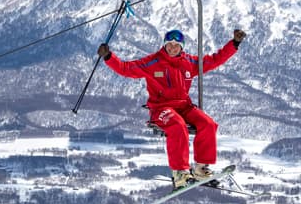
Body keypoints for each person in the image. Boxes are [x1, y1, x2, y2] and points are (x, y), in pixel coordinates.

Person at [98, 28, 246, 189]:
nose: (172, 48)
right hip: (161, 108)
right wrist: (108, 57)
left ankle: (200, 169)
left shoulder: (190, 62)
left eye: (176, 45)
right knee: (177, 125)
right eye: (169, 44)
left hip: (184, 106)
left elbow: (214, 60)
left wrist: (234, 44)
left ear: (182, 47)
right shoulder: (153, 62)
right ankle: (180, 173)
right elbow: (126, 69)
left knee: (208, 124)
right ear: (164, 45)